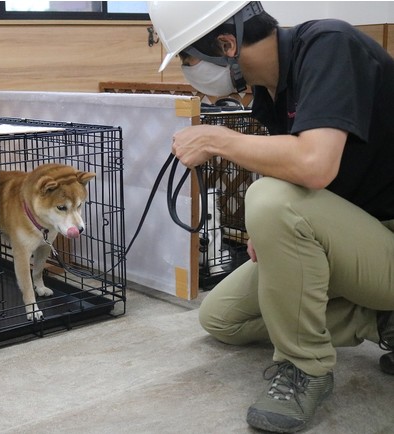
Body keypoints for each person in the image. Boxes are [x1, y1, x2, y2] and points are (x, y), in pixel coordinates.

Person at [148, 1, 394, 433]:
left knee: (270, 199)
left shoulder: (328, 45)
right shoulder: (270, 90)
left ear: (227, 45)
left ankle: (306, 368)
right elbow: (302, 178)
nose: (188, 73)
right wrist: (274, 229)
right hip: (361, 235)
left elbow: (314, 165)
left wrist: (217, 138)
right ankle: (383, 318)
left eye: (188, 60)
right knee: (221, 317)